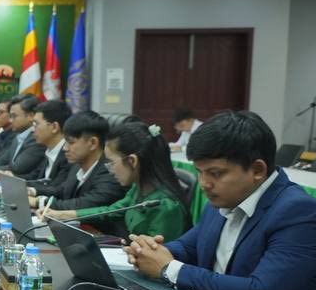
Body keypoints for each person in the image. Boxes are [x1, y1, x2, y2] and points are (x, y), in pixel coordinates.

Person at [126, 111, 316, 290]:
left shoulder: (299, 213)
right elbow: (189, 247)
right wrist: (150, 251)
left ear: (257, 169)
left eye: (215, 173)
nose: (204, 184)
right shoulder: (224, 200)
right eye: (200, 172)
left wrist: (169, 268)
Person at [45, 119, 190, 241]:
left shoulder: (166, 206)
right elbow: (110, 211)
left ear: (132, 161)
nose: (110, 170)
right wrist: (62, 215)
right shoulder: (139, 187)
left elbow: (158, 258)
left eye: (111, 162)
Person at [29, 110, 126, 211]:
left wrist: (38, 202)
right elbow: (62, 190)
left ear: (93, 143)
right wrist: (32, 191)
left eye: (71, 142)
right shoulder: (77, 165)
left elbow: (82, 205)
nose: (65, 148)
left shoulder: (111, 172)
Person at [18, 99, 72, 184]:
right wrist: (11, 178)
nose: (32, 130)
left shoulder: (68, 156)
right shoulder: (49, 150)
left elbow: (55, 187)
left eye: (36, 124)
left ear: (54, 127)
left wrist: (31, 189)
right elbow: (34, 177)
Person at [0, 95, 43, 177]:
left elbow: (17, 168)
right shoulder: (18, 136)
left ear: (31, 116)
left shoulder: (37, 139)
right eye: (10, 116)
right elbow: (2, 161)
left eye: (14, 116)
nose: (10, 120)